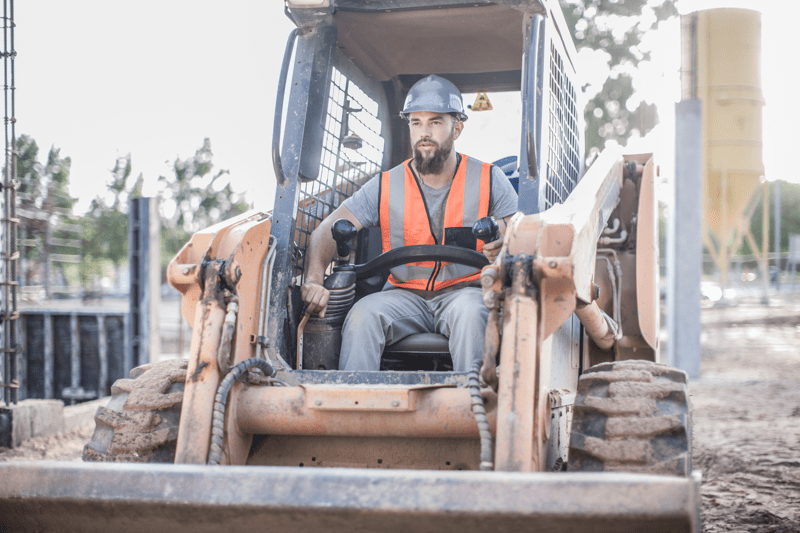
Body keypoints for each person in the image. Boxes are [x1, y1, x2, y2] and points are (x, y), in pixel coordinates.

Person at [301, 75, 518, 371]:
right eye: (416, 123)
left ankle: (473, 408)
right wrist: (313, 280)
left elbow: (520, 238)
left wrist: (504, 243)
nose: (424, 132)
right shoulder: (385, 185)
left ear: (457, 128)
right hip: (403, 295)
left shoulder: (490, 180)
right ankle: (353, 409)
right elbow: (326, 231)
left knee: (472, 315)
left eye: (435, 122)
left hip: (465, 293)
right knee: (362, 316)